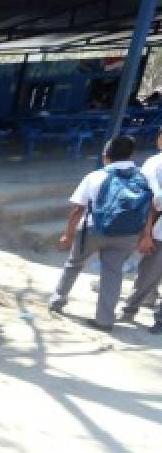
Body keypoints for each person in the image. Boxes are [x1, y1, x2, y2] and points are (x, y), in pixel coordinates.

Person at [50, 136, 151, 330]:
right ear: (131, 155)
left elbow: (78, 210)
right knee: (113, 274)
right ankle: (105, 320)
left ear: (106, 155)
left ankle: (57, 301)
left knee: (73, 264)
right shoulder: (141, 178)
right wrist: (144, 235)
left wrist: (68, 235)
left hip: (93, 230)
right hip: (127, 234)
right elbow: (147, 209)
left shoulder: (95, 177)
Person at [120, 128, 162, 333]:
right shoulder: (155, 164)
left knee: (148, 273)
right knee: (149, 272)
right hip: (157, 228)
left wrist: (146, 233)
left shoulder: (155, 164)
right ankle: (146, 304)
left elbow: (150, 201)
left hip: (157, 230)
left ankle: (131, 309)